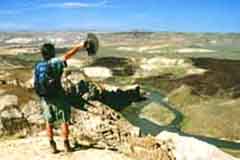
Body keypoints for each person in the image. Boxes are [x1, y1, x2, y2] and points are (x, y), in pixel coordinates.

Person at [34, 42, 88, 153]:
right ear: (52, 52)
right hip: (58, 96)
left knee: (48, 121)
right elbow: (68, 55)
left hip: (45, 98)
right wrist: (79, 46)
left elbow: (36, 82)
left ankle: (52, 145)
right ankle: (66, 144)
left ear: (42, 54)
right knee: (64, 120)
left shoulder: (38, 66)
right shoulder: (56, 63)